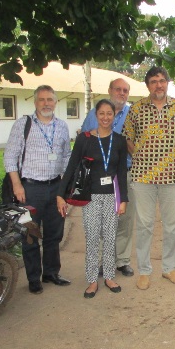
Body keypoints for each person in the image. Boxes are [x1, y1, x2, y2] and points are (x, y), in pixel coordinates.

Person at [123, 66, 175, 290]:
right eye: (153, 81)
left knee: (171, 225)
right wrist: (141, 156)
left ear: (168, 82)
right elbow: (127, 138)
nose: (158, 85)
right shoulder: (137, 109)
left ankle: (169, 268)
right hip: (143, 177)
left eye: (162, 80)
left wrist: (173, 154)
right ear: (147, 85)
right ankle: (144, 270)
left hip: (171, 176)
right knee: (144, 225)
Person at [4, 85, 72, 294]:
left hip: (55, 188)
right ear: (35, 102)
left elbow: (66, 156)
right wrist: (17, 184)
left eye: (50, 99)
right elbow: (10, 157)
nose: (46, 103)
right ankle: (34, 278)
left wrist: (65, 188)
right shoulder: (23, 124)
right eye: (42, 100)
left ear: (55, 102)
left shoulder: (62, 126)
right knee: (30, 234)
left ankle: (51, 273)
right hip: (30, 189)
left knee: (54, 234)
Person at [57, 99, 129, 298]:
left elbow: (121, 172)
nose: (106, 117)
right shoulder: (85, 139)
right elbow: (71, 166)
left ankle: (109, 276)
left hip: (111, 197)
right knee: (92, 238)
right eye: (102, 114)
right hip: (91, 197)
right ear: (96, 116)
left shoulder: (119, 141)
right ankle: (91, 280)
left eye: (109, 114)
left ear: (114, 117)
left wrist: (123, 199)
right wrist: (60, 194)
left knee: (110, 237)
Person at [81, 78, 135, 277]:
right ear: (110, 90)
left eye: (125, 90)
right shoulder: (95, 114)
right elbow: (84, 140)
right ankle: (106, 261)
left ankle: (122, 260)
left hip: (126, 175)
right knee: (103, 222)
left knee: (125, 220)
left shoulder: (133, 114)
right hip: (98, 177)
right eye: (118, 89)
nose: (121, 93)